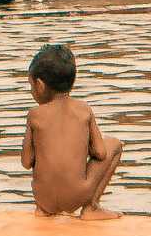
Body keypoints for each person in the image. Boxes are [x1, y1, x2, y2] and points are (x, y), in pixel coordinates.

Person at [22, 42, 123, 219]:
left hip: (44, 200)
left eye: (31, 86)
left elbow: (26, 161)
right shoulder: (84, 110)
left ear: (39, 85)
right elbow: (100, 152)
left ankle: (44, 211)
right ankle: (91, 207)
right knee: (114, 144)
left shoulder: (34, 115)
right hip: (77, 196)